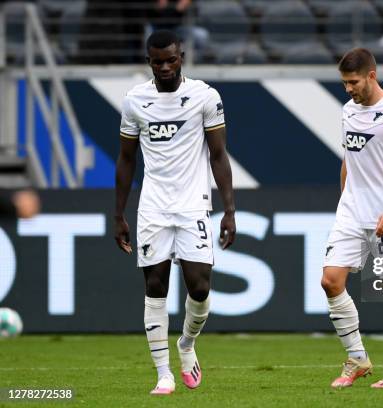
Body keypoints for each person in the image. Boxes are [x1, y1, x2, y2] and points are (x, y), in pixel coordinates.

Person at [114, 30, 236, 395]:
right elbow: (126, 159)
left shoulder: (204, 96)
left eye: (171, 60)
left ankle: (186, 344)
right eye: (157, 62)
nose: (165, 67)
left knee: (199, 288)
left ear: (181, 56)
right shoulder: (135, 101)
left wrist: (229, 210)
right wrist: (118, 213)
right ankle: (163, 374)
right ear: (148, 61)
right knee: (155, 287)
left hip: (193, 204)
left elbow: (218, 155)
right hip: (152, 207)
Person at [321, 48, 383, 389]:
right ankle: (358, 358)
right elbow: (349, 159)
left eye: (353, 82)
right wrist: (343, 200)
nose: (348, 89)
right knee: (330, 281)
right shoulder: (348, 110)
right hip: (351, 212)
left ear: (371, 76)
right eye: (344, 83)